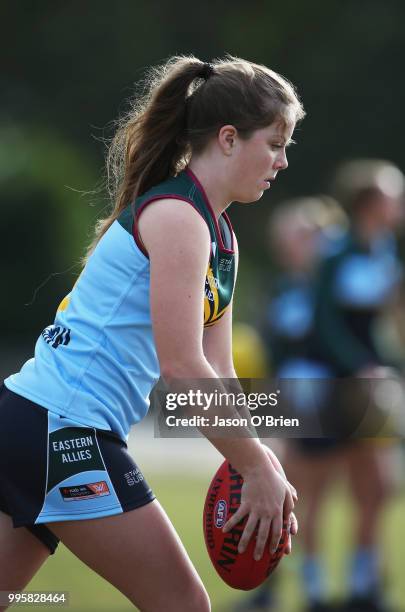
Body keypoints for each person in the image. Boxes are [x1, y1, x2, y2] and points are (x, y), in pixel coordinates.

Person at [0, 55, 305, 611]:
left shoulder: (221, 235)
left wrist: (257, 455)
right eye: (275, 143)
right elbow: (183, 369)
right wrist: (255, 466)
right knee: (184, 605)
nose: (284, 161)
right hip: (63, 427)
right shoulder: (177, 217)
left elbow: (220, 369)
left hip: (36, 422)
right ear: (229, 138)